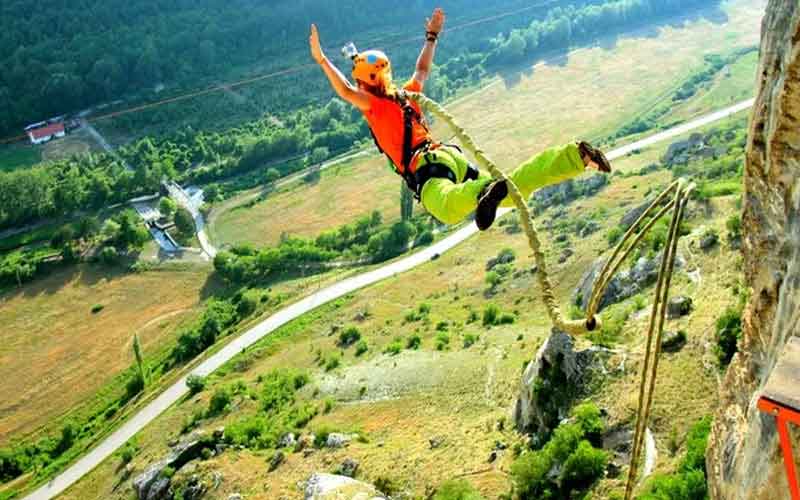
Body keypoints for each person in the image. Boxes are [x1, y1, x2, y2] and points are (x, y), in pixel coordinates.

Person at [308, 8, 611, 231]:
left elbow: (346, 91)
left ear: (364, 84)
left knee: (449, 208)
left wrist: (322, 60)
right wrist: (431, 36)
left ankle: (483, 192)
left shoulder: (373, 105)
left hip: (427, 169)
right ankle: (575, 156)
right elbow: (422, 69)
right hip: (449, 157)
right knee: (512, 189)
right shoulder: (405, 95)